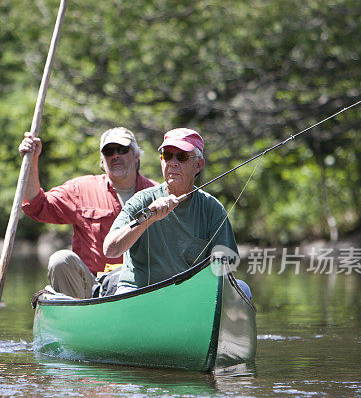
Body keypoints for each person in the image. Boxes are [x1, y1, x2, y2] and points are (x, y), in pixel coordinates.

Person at [103, 128, 246, 296]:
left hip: (186, 298)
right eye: (167, 155)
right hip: (137, 292)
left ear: (198, 165)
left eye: (182, 157)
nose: (173, 162)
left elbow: (225, 269)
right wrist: (148, 218)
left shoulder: (212, 209)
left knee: (243, 288)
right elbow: (110, 250)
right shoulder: (141, 200)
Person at [20, 127, 156, 299]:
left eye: (122, 150)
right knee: (60, 259)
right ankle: (75, 319)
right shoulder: (81, 189)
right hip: (92, 289)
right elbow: (36, 206)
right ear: (102, 160)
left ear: (136, 156)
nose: (115, 156)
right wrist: (31, 160)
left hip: (141, 286)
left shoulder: (157, 193)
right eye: (108, 151)